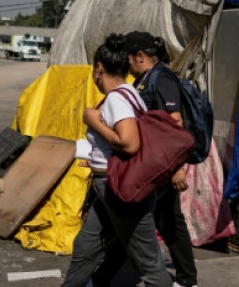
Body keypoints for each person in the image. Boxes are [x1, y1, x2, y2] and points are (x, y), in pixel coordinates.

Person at [63, 33, 173, 287]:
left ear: (99, 67)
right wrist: (96, 157)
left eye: (94, 68)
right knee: (85, 247)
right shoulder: (130, 94)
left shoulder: (116, 98)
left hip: (120, 188)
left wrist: (93, 122)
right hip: (109, 186)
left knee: (149, 266)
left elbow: (130, 143)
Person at [94, 31, 199, 287]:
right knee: (154, 220)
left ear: (139, 56)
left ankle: (186, 281)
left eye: (127, 58)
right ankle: (185, 280)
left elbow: (175, 124)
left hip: (161, 166)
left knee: (158, 220)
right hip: (152, 165)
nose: (125, 64)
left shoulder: (162, 79)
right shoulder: (146, 79)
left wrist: (177, 169)